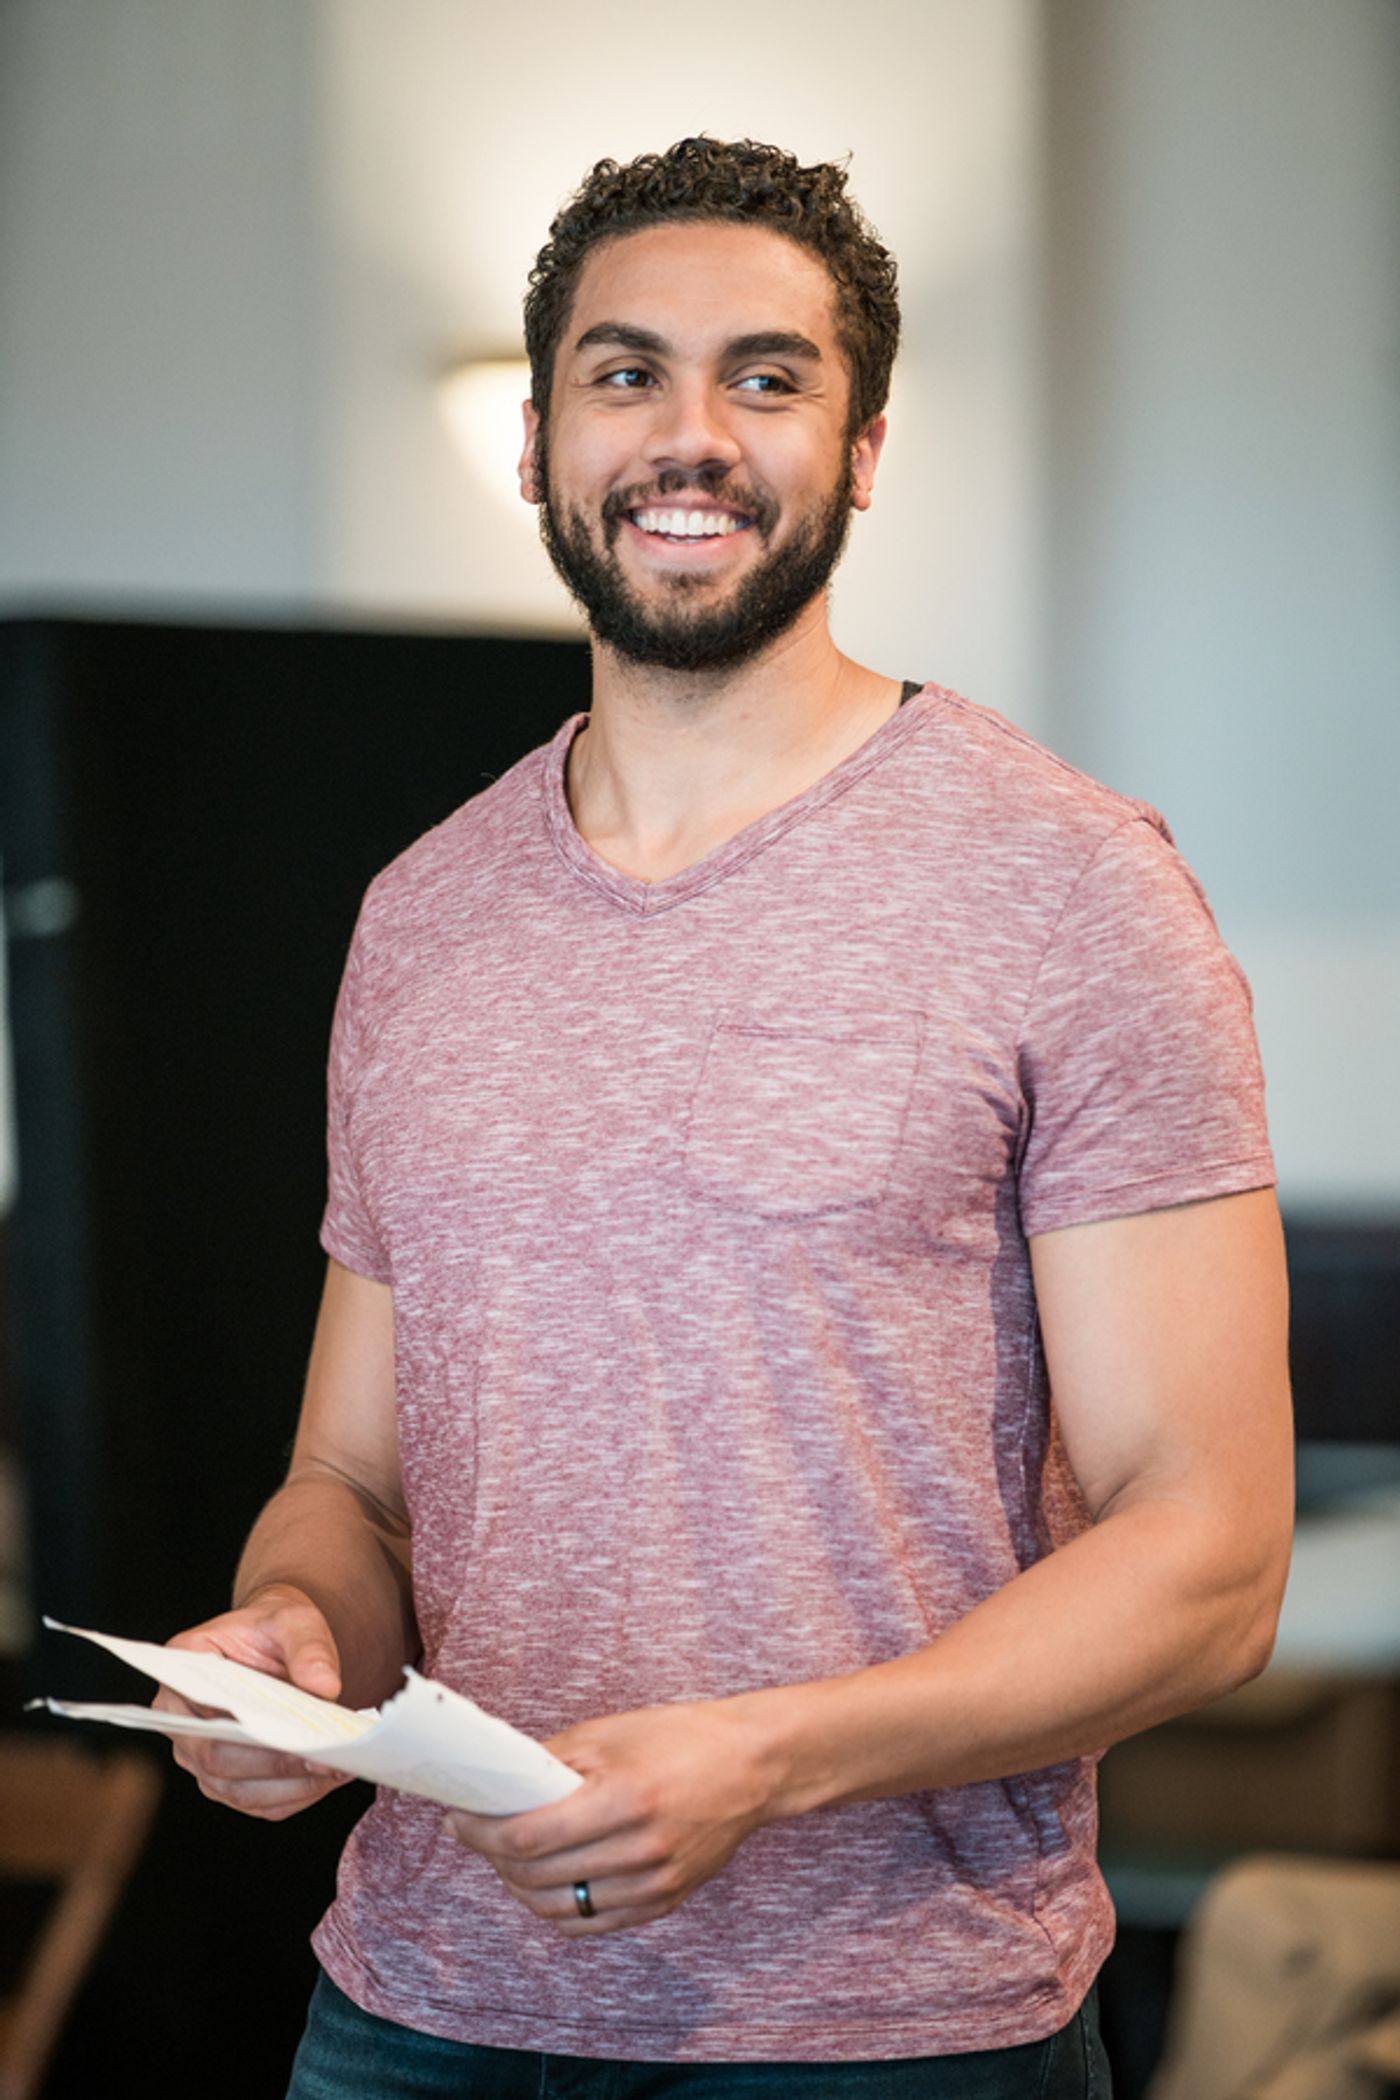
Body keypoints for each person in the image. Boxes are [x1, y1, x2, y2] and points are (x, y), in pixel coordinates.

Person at [159, 137, 1293, 2097]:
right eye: (626, 374)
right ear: (535, 439)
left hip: (890, 2028)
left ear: (859, 450)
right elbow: (355, 1484)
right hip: (419, 2007)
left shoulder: (1071, 883)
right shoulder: (420, 916)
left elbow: (1208, 1556)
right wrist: (291, 1642)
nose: (692, 435)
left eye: (765, 379)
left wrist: (766, 1755)